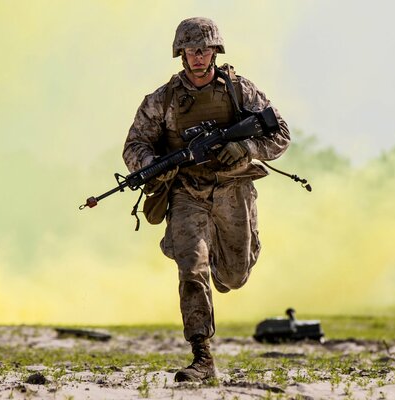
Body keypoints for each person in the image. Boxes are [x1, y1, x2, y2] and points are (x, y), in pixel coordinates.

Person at [122, 17, 291, 382]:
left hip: (233, 189)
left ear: (215, 51)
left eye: (204, 49)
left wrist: (245, 147)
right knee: (192, 269)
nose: (198, 56)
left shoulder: (239, 91)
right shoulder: (162, 100)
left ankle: (238, 254)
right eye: (190, 50)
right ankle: (202, 356)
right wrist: (153, 166)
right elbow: (134, 146)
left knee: (234, 275)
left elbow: (281, 134)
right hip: (187, 192)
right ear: (180, 54)